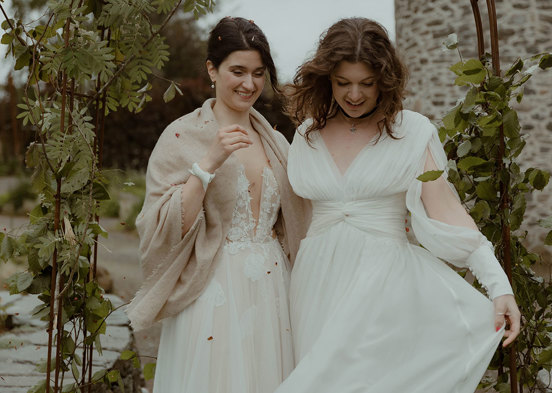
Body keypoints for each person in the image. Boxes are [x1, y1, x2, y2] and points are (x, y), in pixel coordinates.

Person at [276, 17, 521, 393]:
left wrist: (498, 285)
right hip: (315, 284)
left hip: (384, 285)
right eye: (343, 83)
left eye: (366, 84)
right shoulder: (307, 134)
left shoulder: (412, 131)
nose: (354, 94)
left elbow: (448, 213)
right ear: (327, 79)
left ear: (385, 81)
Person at [126, 17, 308, 393]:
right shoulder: (181, 136)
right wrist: (208, 163)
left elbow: (299, 213)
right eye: (237, 71)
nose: (249, 84)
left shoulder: (275, 141)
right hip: (214, 286)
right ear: (212, 69)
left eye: (259, 73)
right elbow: (166, 225)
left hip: (274, 286)